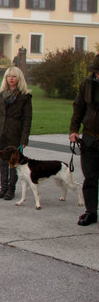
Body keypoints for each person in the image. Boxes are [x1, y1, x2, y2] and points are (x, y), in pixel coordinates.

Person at [0, 66, 32, 200]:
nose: (11, 79)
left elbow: (27, 119)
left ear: (19, 78)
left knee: (13, 163)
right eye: (8, 76)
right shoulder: (0, 93)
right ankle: (3, 187)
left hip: (15, 132)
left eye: (14, 76)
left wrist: (24, 140)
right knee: (2, 161)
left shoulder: (25, 97)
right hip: (0, 131)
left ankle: (11, 189)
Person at [69, 55, 99, 226]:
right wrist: (74, 130)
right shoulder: (87, 83)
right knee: (90, 177)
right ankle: (91, 212)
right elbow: (78, 107)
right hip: (89, 137)